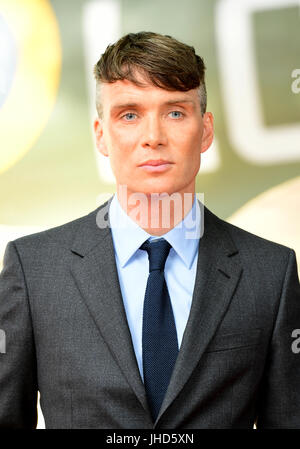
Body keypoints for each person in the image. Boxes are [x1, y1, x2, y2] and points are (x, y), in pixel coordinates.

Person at [0, 31, 299, 429]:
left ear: (205, 130)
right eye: (129, 114)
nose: (153, 138)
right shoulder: (33, 268)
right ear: (101, 135)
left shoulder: (271, 272)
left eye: (175, 112)